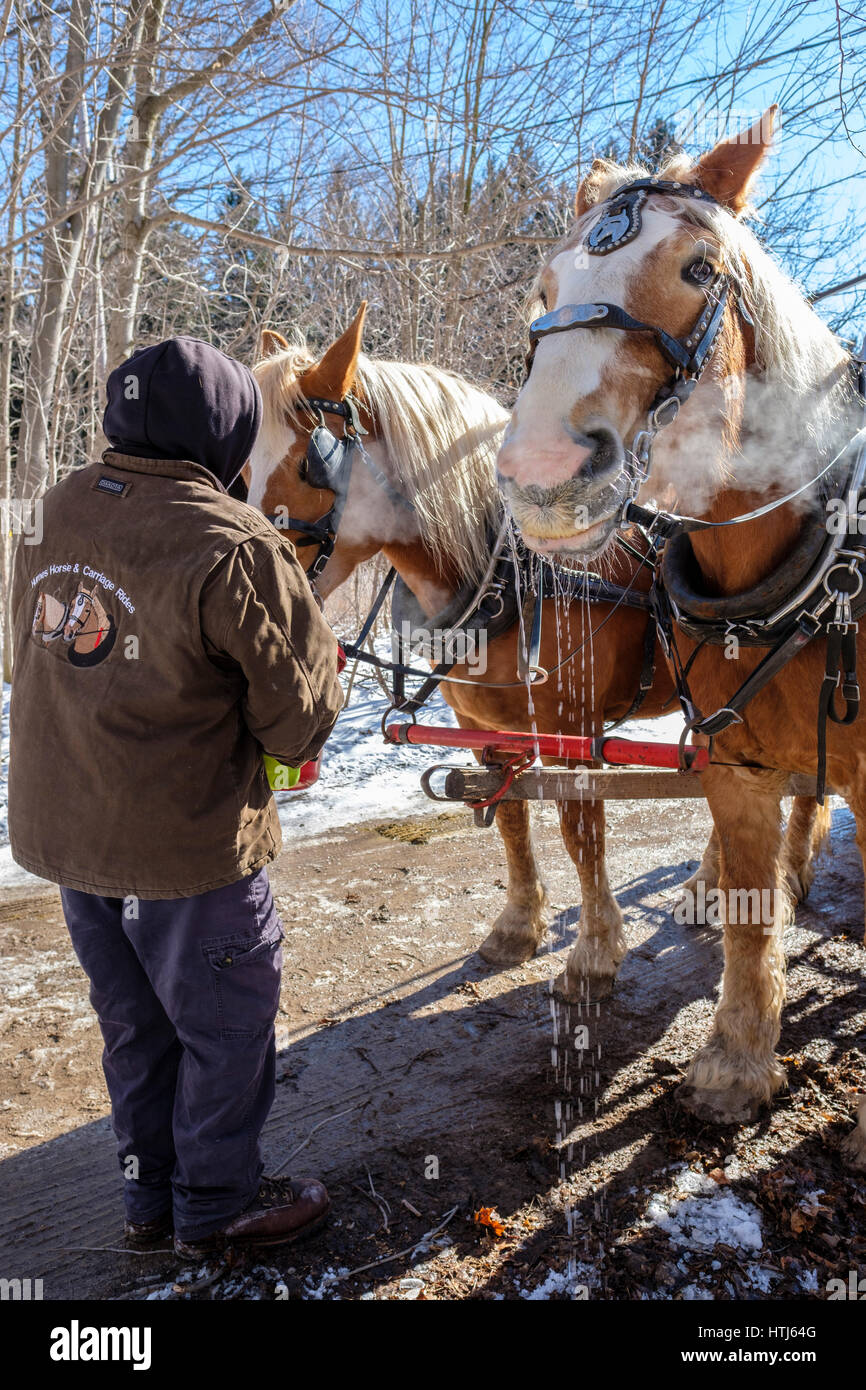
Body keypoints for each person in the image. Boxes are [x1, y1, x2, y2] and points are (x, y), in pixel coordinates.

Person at [8, 337, 345, 1260]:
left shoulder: (51, 510)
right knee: (227, 1028)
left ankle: (147, 1198)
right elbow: (300, 726)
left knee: (136, 1025)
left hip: (71, 842)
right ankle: (218, 1206)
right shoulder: (232, 542)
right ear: (231, 435)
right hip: (184, 852)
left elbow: (39, 658)